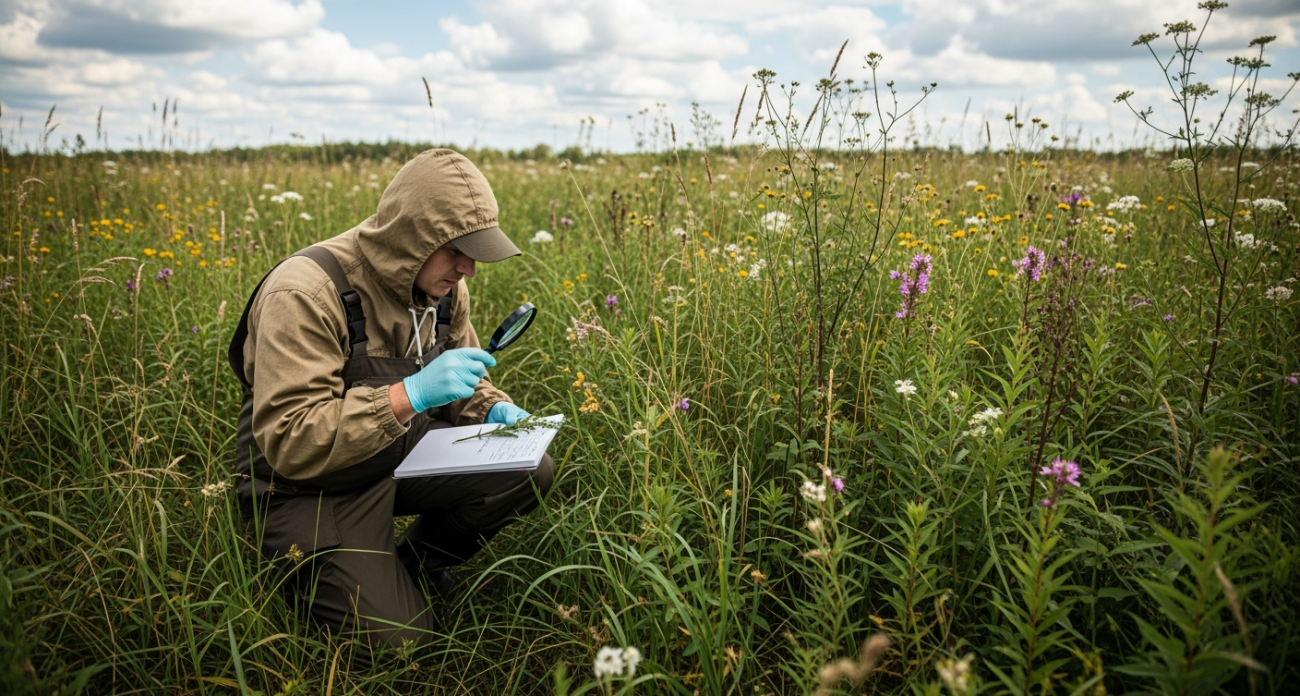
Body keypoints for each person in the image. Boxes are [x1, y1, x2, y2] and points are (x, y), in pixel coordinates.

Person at [227, 148, 553, 661]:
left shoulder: (444, 289)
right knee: (401, 647)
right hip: (306, 486)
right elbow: (291, 441)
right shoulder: (306, 293)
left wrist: (488, 407)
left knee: (525, 466)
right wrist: (411, 395)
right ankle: (322, 578)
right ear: (412, 237)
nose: (467, 268)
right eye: (456, 251)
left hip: (396, 453)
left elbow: (460, 378)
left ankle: (414, 564)